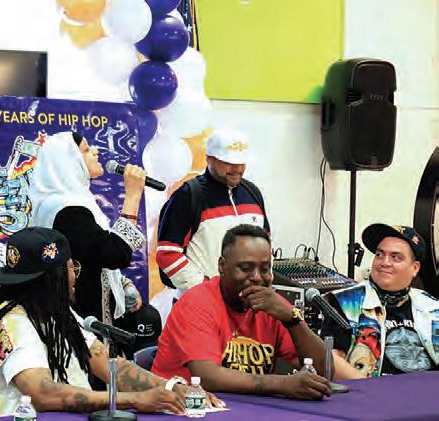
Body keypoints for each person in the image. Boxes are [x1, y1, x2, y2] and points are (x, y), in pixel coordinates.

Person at [0, 227, 224, 418]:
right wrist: (135, 399)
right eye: (71, 269)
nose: (75, 277)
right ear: (52, 279)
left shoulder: (58, 314)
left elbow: (111, 365)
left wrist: (173, 387)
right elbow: (43, 393)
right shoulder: (14, 322)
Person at [152, 224, 332, 400]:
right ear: (222, 266)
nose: (257, 277)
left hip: (249, 407)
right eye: (246, 268)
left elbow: (323, 371)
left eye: (265, 269)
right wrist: (283, 384)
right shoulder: (196, 303)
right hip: (187, 407)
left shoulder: (273, 305)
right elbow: (207, 377)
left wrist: (292, 320)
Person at [28, 131, 146, 326]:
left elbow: (92, 254)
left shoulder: (71, 202)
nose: (96, 151)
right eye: (86, 149)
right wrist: (133, 196)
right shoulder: (67, 211)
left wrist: (122, 283)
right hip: (82, 319)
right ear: (69, 162)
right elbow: (115, 253)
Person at [156, 130, 270, 299]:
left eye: (241, 162)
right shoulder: (188, 195)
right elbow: (167, 254)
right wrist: (207, 290)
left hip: (245, 305)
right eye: (229, 162)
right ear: (209, 159)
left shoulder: (252, 192)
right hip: (199, 304)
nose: (238, 168)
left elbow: (265, 245)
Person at [322, 224, 439, 379]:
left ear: (415, 268)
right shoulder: (346, 302)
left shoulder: (431, 306)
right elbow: (331, 359)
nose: (385, 262)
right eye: (379, 255)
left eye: (395, 257)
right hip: (371, 391)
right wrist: (372, 390)